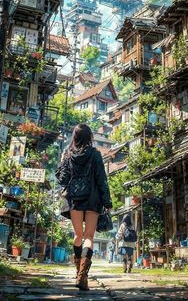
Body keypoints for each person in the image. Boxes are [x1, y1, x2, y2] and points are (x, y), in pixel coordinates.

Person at [56, 123, 112, 291]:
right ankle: (82, 275)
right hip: (93, 199)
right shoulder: (95, 154)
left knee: (78, 235)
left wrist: (61, 163)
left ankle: (78, 271)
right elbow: (102, 179)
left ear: (75, 137)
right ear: (90, 138)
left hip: (75, 200)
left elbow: (62, 180)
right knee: (89, 236)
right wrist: (107, 201)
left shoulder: (68, 155)